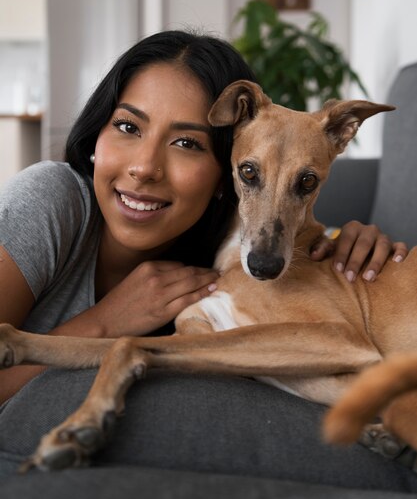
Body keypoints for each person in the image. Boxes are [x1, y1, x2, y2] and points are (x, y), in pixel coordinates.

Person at [0, 29, 407, 410]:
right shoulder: (49, 200)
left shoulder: (222, 267)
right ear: (97, 134)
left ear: (220, 174)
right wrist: (108, 321)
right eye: (128, 126)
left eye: (186, 142)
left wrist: (356, 238)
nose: (144, 168)